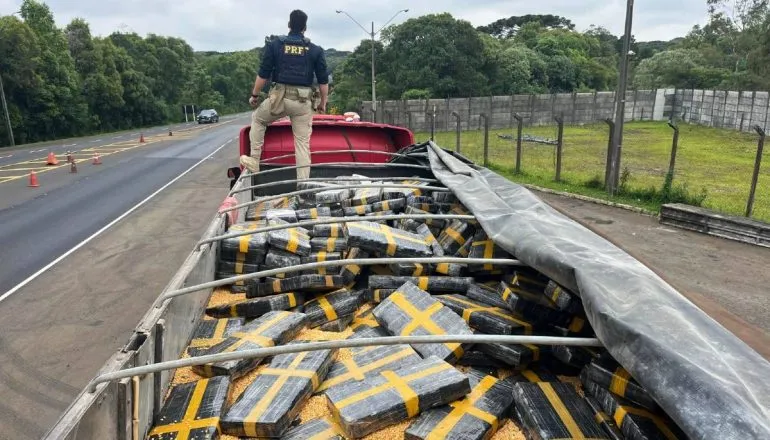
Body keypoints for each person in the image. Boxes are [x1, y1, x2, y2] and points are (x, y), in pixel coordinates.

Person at [240, 9, 329, 181]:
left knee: (258, 119)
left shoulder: (275, 45)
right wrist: (323, 103)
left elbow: (263, 75)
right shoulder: (315, 50)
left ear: (289, 25)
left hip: (278, 100)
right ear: (305, 28)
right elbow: (323, 82)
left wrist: (254, 95)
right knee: (302, 144)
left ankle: (254, 160)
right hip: (302, 102)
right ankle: (303, 185)